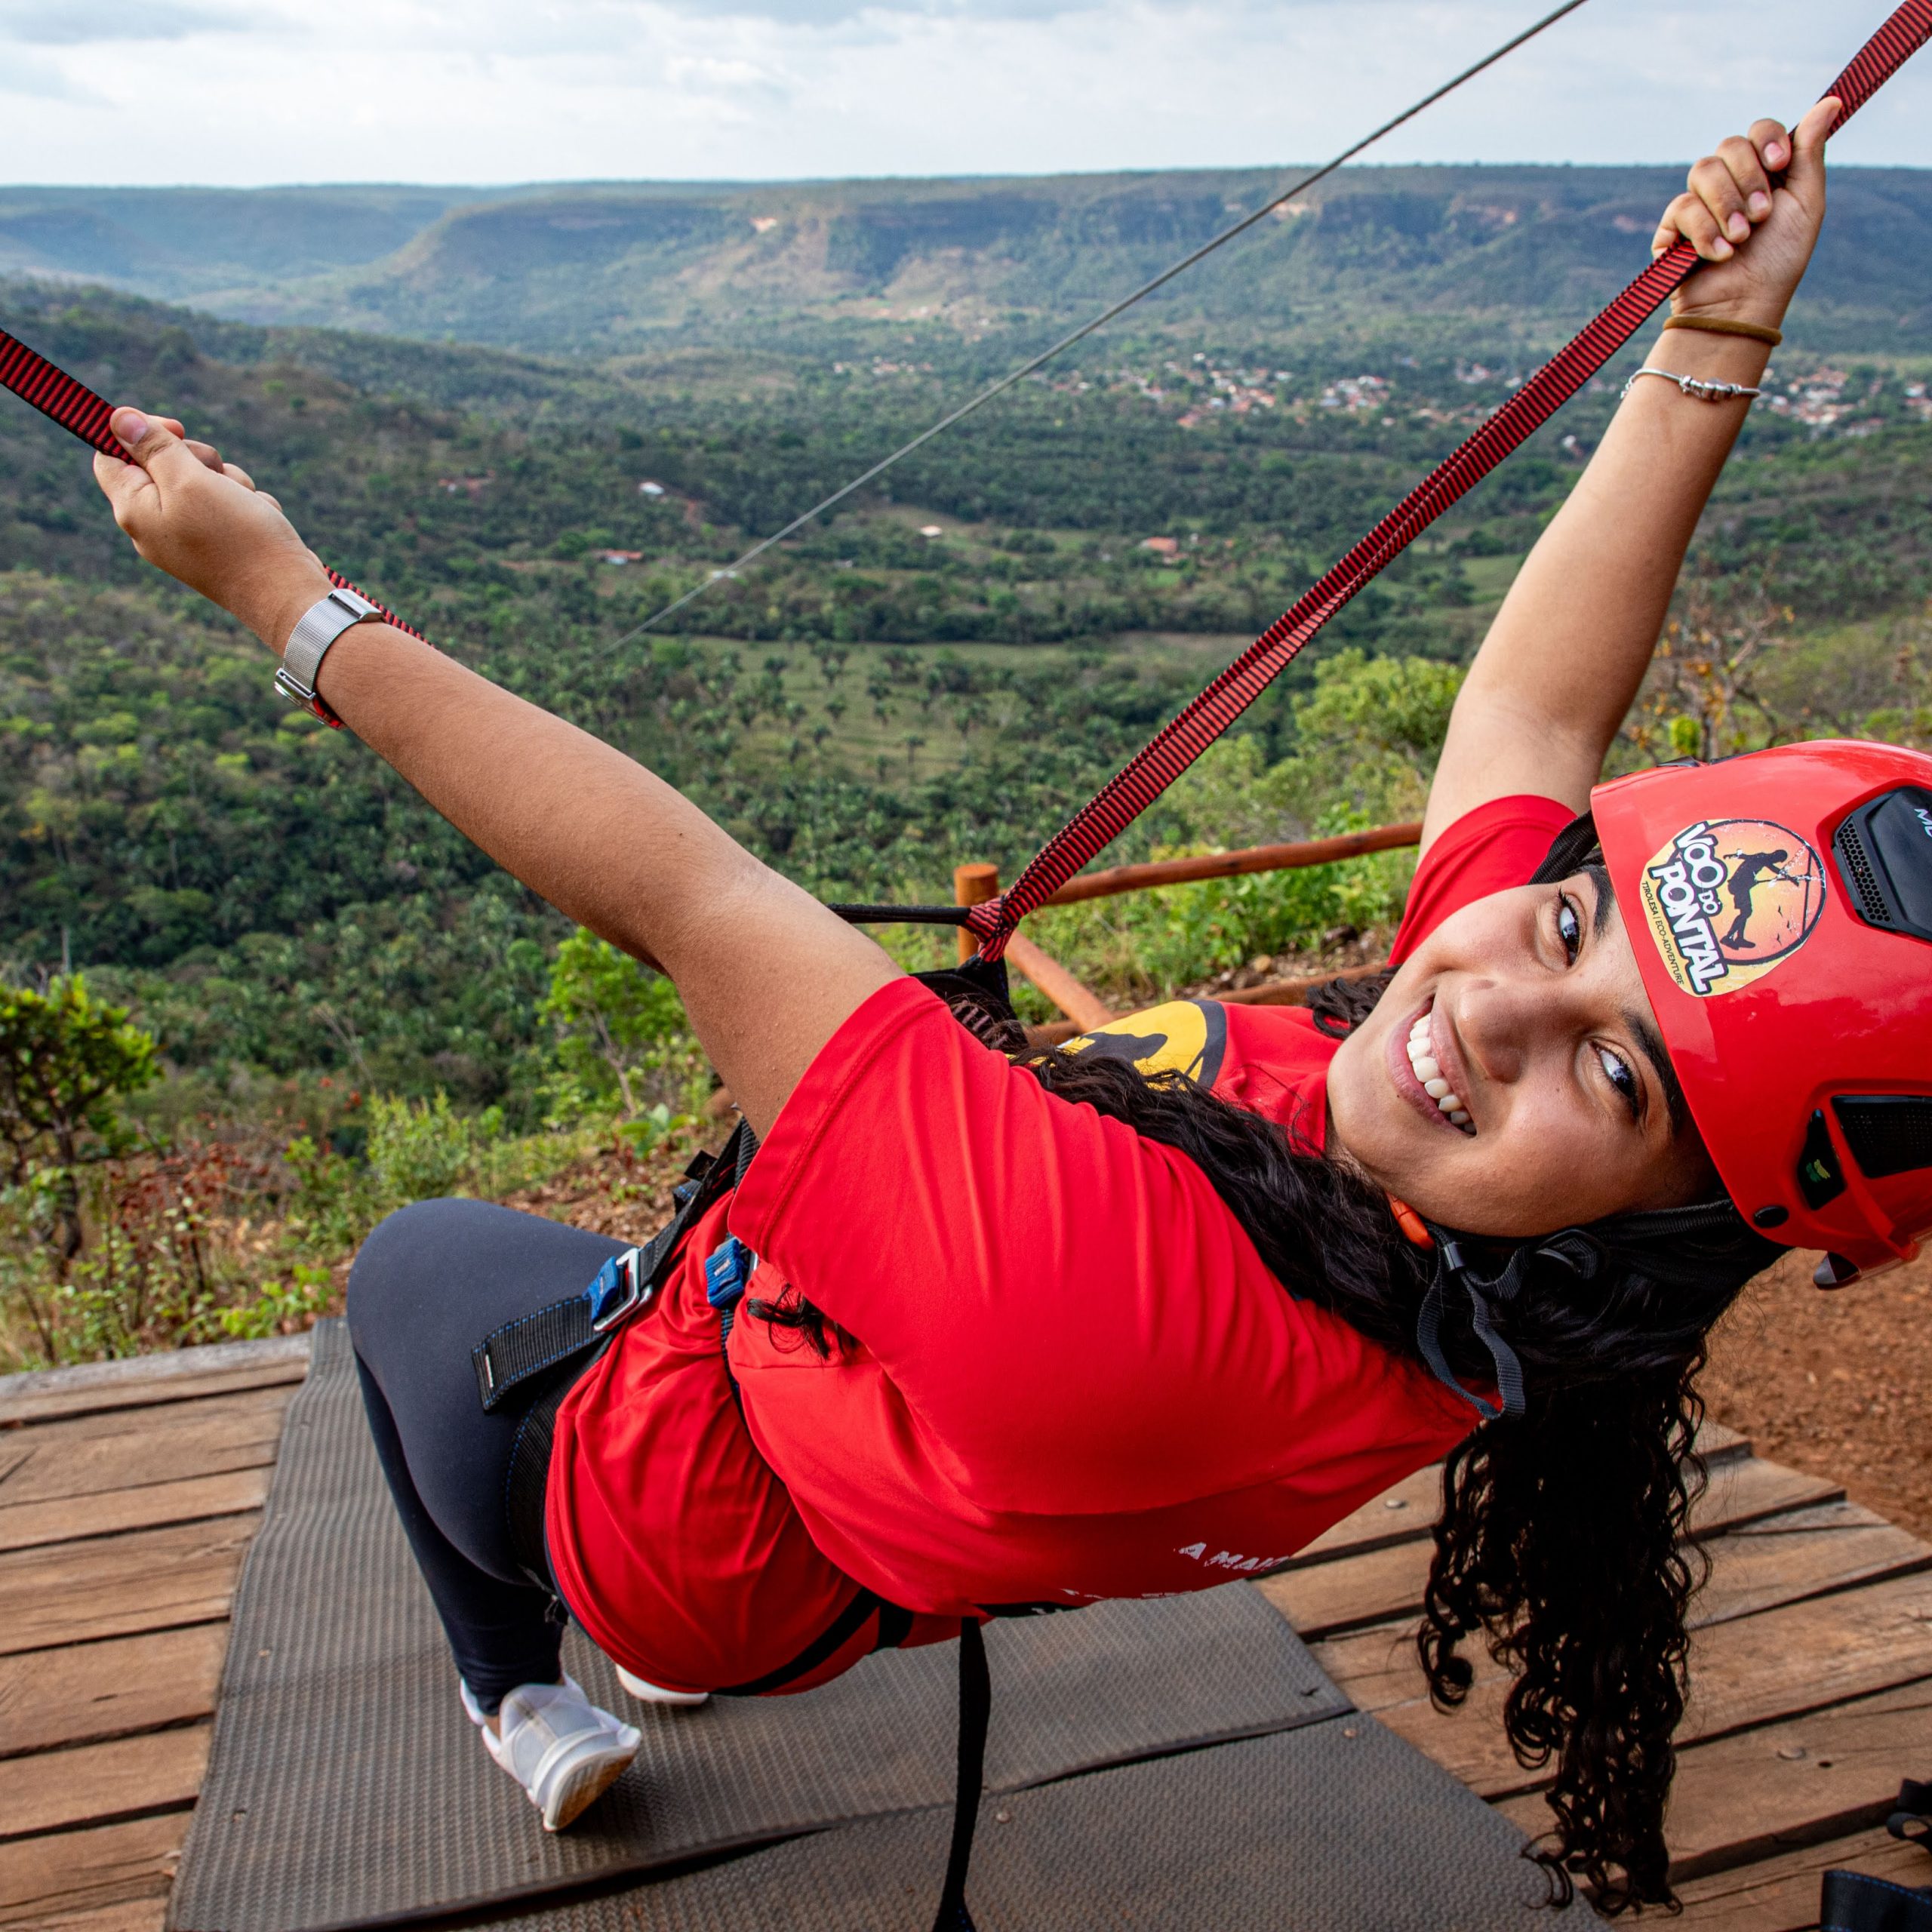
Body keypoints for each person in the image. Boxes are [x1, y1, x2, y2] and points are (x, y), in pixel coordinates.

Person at [85, 97, 1900, 1912]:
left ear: (1685, 1218)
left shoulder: (1119, 1298)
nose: (1496, 986)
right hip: (862, 1512)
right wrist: (1716, 335)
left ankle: (513, 1685)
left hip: (665, 1517)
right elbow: (1527, 726)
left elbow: (696, 898)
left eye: (1616, 1066)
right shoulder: (1484, 1249)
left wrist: (287, 602)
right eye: (1575, 910)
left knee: (409, 1267)